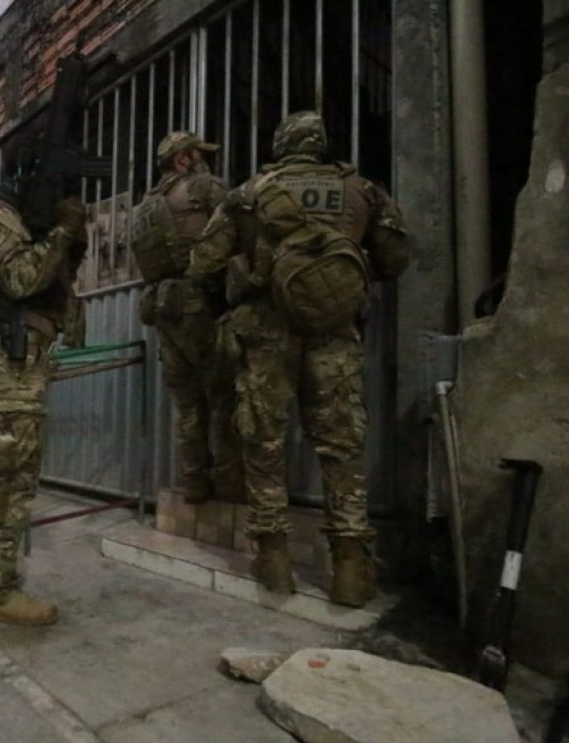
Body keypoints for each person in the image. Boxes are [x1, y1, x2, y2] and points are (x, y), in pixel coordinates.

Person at [189, 111, 410, 607]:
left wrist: (246, 270)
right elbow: (396, 259)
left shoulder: (247, 194)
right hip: (334, 333)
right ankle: (351, 569)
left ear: (281, 144)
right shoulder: (362, 191)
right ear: (321, 144)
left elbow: (201, 263)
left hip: (266, 332)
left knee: (264, 441)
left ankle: (275, 560)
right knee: (341, 445)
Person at [0, 151, 88, 627]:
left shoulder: (13, 220)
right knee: (10, 480)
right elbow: (23, 277)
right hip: (9, 358)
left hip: (19, 357)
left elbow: (48, 277)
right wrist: (63, 231)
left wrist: (70, 240)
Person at [131, 132, 241, 503]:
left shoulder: (145, 205)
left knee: (189, 405)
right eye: (196, 155)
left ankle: (194, 483)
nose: (201, 160)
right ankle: (229, 487)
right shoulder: (203, 188)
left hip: (163, 307)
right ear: (182, 160)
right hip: (200, 304)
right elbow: (241, 227)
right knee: (223, 394)